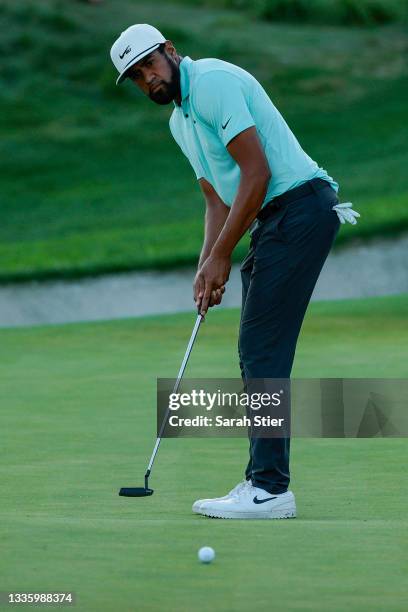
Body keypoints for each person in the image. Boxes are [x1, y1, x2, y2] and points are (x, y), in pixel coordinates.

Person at [110, 24, 360, 519]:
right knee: (257, 351)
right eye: (137, 77)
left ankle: (269, 490)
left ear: (171, 51)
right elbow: (216, 199)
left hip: (301, 208)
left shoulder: (214, 84)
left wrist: (224, 255)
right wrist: (208, 264)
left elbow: (257, 173)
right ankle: (264, 484)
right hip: (278, 218)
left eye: (151, 65)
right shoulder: (179, 123)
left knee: (261, 350)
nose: (149, 80)